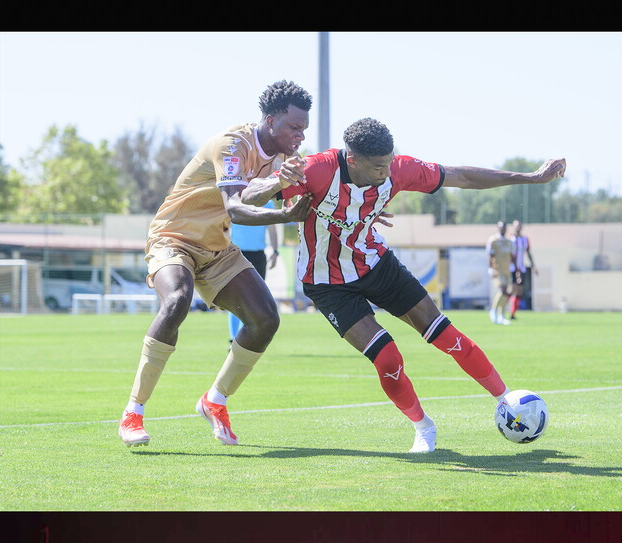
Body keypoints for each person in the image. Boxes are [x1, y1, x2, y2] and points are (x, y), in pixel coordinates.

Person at [241, 117, 566, 453]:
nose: (386, 172)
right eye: (378, 166)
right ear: (353, 160)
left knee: (446, 335)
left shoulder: (398, 168)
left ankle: (506, 400)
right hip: (326, 282)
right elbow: (246, 196)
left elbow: (462, 176)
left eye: (389, 163)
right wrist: (274, 182)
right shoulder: (315, 170)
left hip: (376, 264)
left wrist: (530, 177)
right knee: (388, 360)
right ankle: (423, 427)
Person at [118, 80, 315, 448]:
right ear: (270, 120)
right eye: (293, 127)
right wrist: (284, 211)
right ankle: (134, 411)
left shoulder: (285, 159)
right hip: (173, 237)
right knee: (177, 299)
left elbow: (301, 191)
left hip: (216, 248)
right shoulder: (233, 144)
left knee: (266, 319)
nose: (300, 136)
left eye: (304, 129)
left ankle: (215, 400)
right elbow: (235, 206)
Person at [227, 200, 279, 344]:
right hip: (238, 253)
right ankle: (233, 339)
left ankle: (247, 337)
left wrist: (275, 251)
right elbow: (223, 225)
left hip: (258, 255)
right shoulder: (235, 200)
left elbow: (272, 228)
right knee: (235, 298)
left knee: (256, 298)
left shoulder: (267, 203)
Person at [486, 221, 515, 326]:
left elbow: (512, 256)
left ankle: (501, 316)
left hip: (507, 270)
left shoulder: (509, 241)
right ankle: (493, 311)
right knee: (503, 291)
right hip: (497, 270)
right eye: (501, 227)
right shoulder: (493, 240)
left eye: (504, 228)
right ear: (498, 228)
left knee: (506, 293)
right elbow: (490, 255)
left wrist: (514, 268)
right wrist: (490, 269)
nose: (502, 229)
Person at [507, 219, 537, 320]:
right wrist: (516, 269)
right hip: (512, 268)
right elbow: (509, 255)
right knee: (512, 290)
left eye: (520, 225)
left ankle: (512, 313)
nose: (518, 227)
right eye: (516, 226)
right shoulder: (510, 239)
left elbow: (528, 253)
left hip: (522, 268)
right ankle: (500, 311)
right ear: (513, 226)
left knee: (519, 291)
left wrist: (533, 266)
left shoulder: (525, 239)